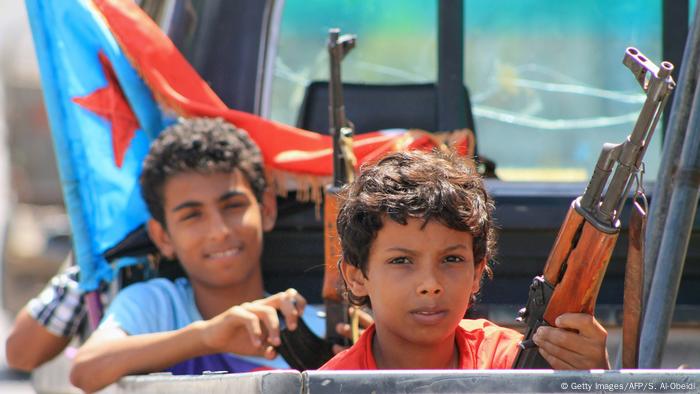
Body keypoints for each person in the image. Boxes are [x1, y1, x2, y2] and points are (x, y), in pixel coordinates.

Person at [69, 117, 324, 392]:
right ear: (162, 237)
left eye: (233, 206)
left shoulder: (313, 327)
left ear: (267, 210)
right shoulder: (157, 305)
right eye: (192, 216)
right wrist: (207, 337)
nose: (219, 231)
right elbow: (86, 370)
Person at [320, 150, 610, 370]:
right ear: (357, 277)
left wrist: (596, 380)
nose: (430, 284)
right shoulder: (329, 385)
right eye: (401, 261)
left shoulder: (511, 362)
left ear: (476, 272)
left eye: (451, 259)